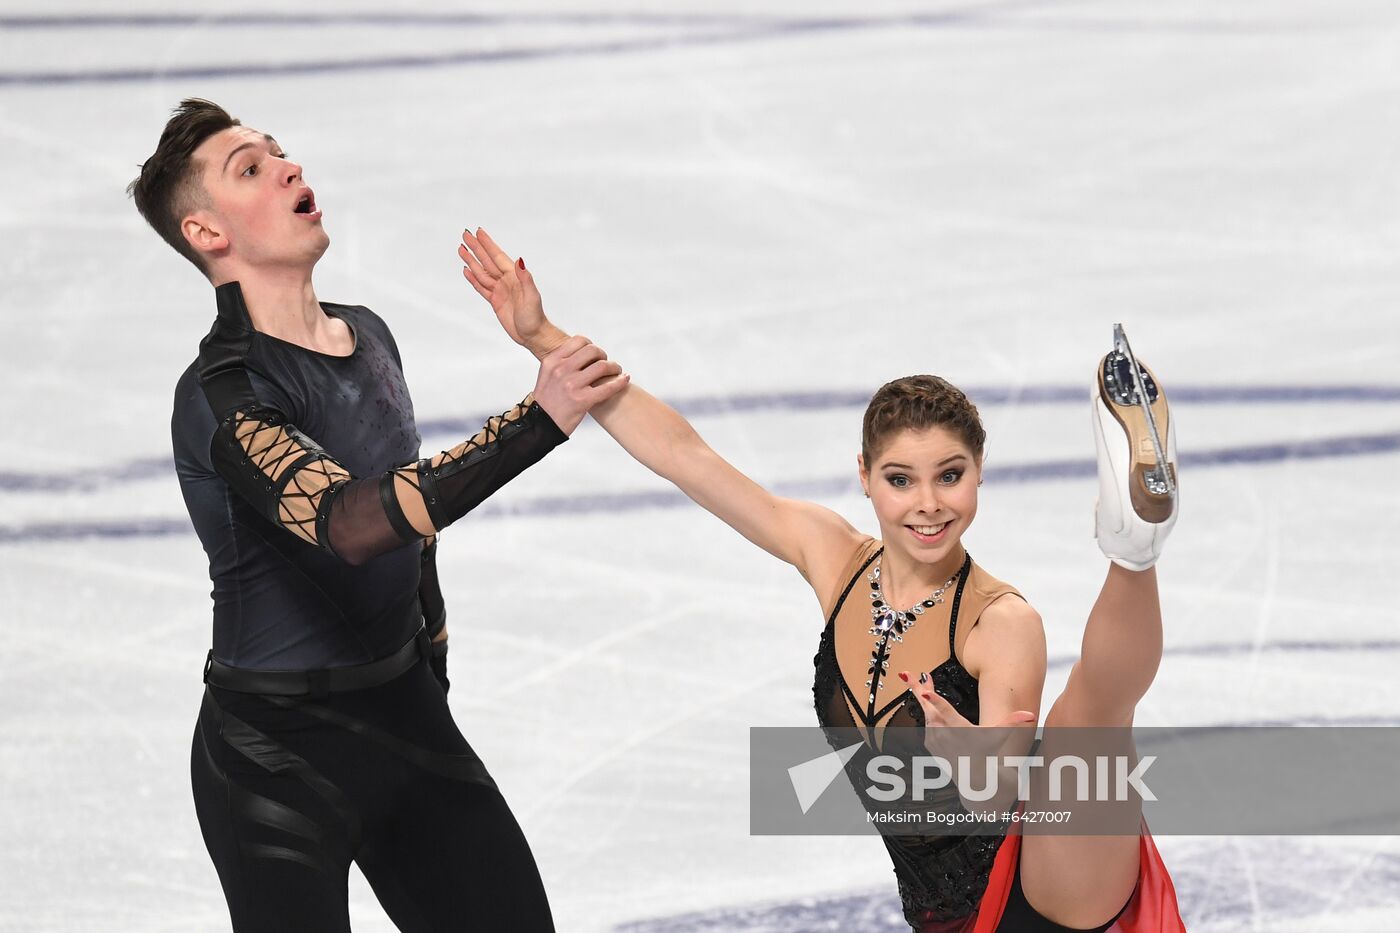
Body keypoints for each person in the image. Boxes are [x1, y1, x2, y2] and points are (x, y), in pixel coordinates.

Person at [458, 228, 1187, 932]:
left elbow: (997, 793)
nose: (929, 503)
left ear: (979, 476)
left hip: (1046, 878)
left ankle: (1133, 542)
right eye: (902, 479)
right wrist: (543, 336)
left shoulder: (1000, 621)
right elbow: (687, 456)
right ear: (864, 476)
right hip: (948, 919)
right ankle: (1134, 541)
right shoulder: (833, 556)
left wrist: (972, 750)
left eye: (951, 476)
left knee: (1087, 727)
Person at [129, 100, 626, 932]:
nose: (289, 166)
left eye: (280, 152)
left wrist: (430, 659)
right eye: (250, 168)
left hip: (403, 717)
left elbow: (411, 534)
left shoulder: (369, 335)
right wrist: (535, 421)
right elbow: (352, 523)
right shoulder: (223, 394)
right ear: (208, 233)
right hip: (272, 757)